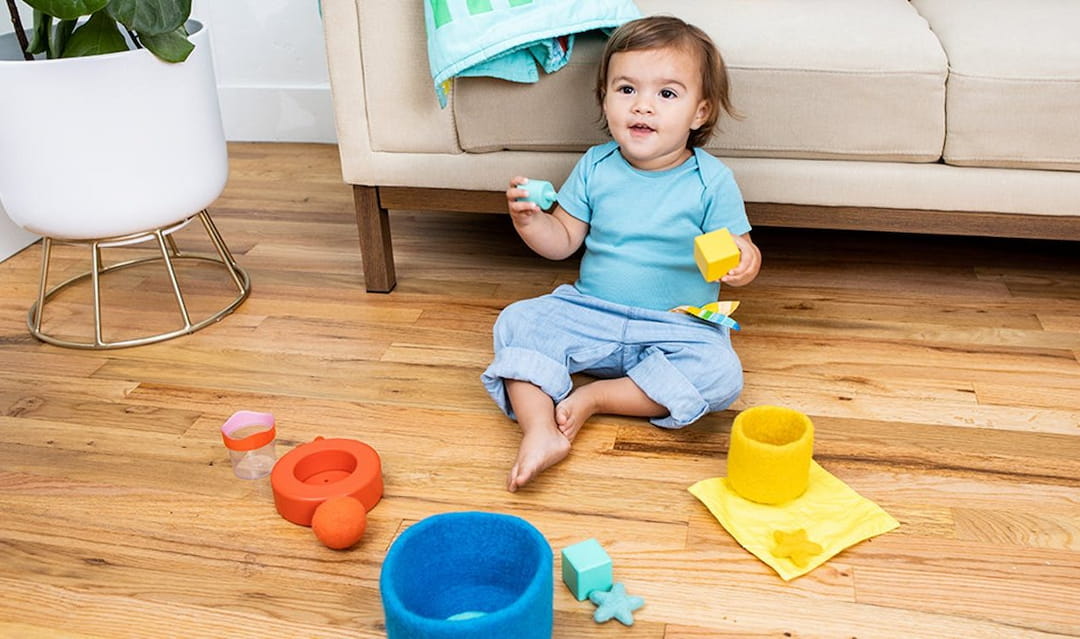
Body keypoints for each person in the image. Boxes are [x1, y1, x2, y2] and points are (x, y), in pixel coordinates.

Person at [482, 15, 762, 492]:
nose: (643, 107)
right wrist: (531, 222)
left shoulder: (711, 180)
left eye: (667, 94)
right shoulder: (596, 165)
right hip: (590, 310)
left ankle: (598, 397)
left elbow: (744, 250)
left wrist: (743, 259)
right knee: (517, 321)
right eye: (627, 89)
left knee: (722, 375)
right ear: (605, 99)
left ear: (699, 113)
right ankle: (540, 430)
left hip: (677, 321)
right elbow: (563, 241)